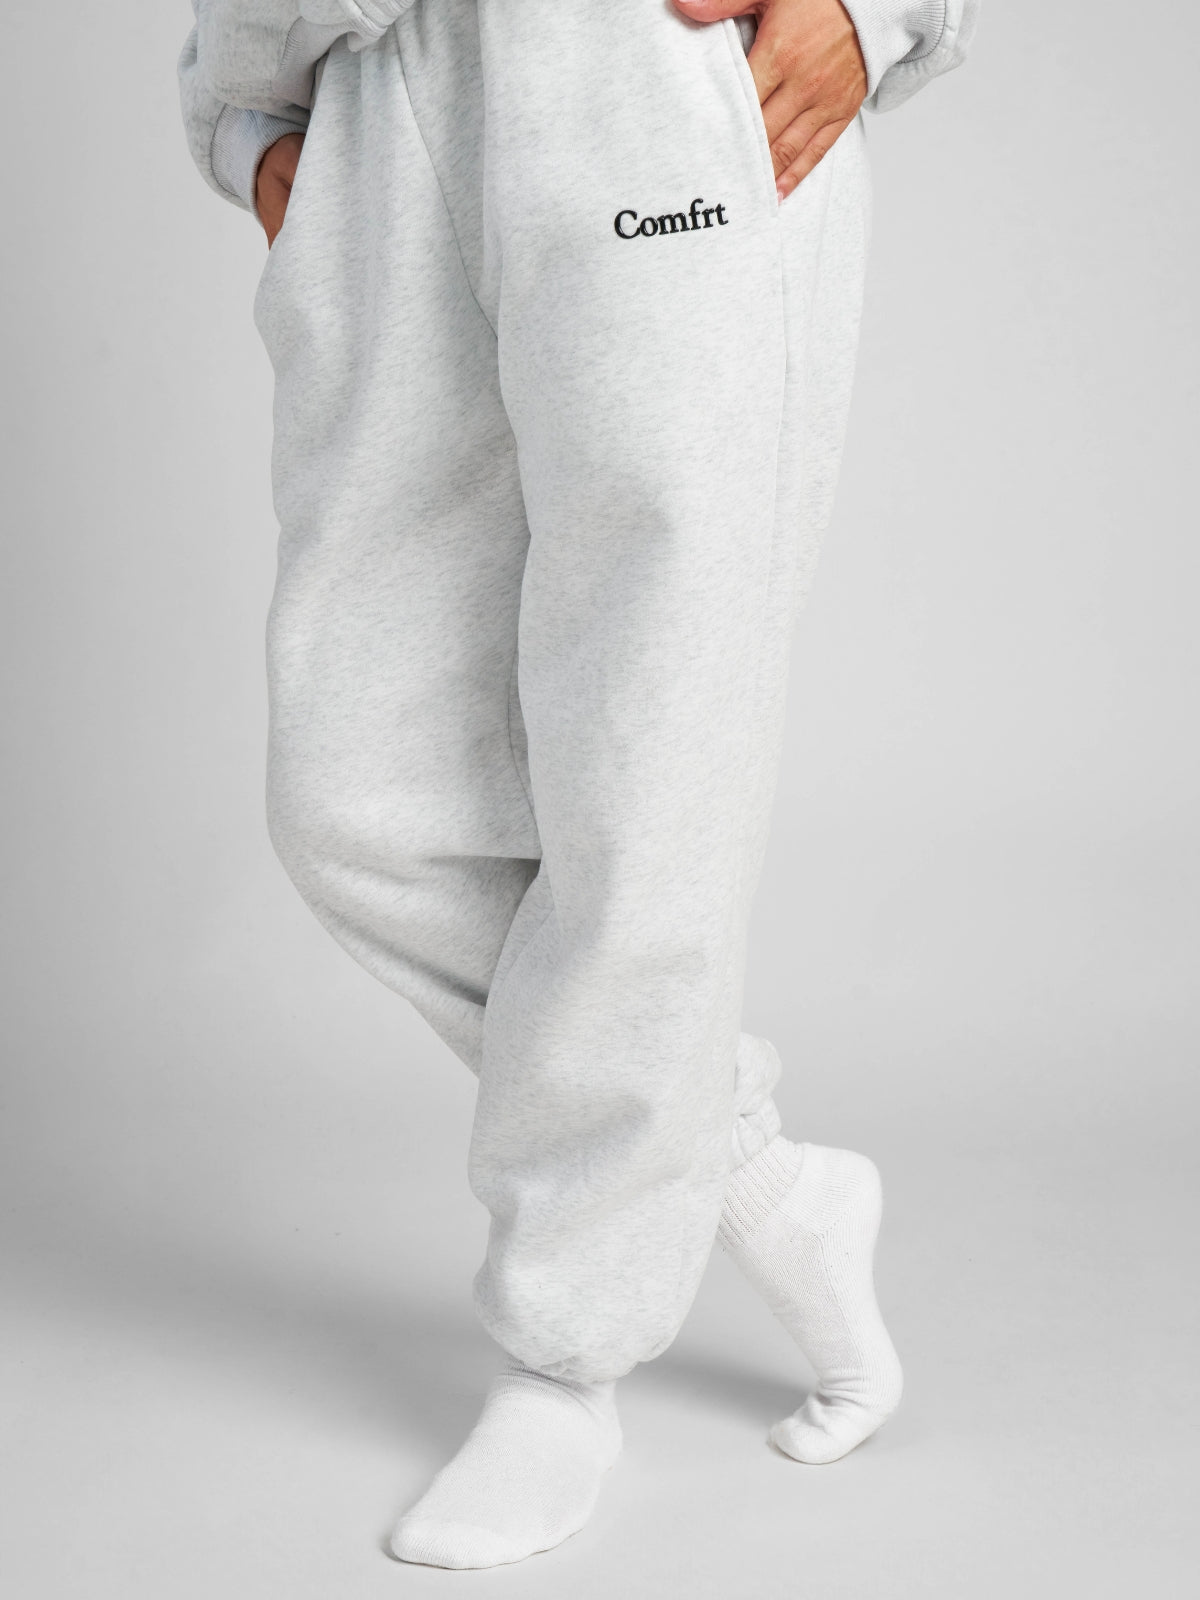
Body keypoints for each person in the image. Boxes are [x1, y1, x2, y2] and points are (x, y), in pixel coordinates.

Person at [179, 0, 978, 1570]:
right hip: (372, 90)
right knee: (352, 798)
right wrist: (246, 112)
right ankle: (745, 1170)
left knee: (646, 775)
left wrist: (878, 11)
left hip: (643, 74)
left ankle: (565, 1361)